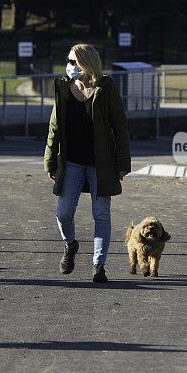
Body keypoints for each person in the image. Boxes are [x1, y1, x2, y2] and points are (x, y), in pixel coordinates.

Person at [44, 43, 131, 283]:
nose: (69, 66)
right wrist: (50, 161)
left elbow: (120, 126)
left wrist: (123, 161)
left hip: (101, 164)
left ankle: (98, 265)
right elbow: (54, 127)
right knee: (63, 213)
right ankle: (70, 244)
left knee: (101, 213)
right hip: (71, 161)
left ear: (86, 63)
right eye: (69, 61)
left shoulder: (106, 88)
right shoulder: (63, 88)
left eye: (73, 62)